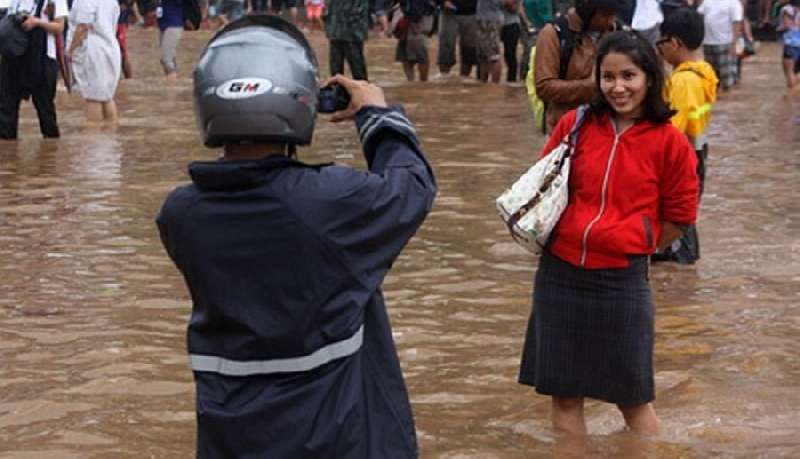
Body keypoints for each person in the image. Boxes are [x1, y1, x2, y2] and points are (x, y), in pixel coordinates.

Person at [156, 16, 436, 457]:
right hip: (334, 438)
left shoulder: (180, 215)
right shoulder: (329, 203)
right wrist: (377, 116)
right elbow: (413, 187)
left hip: (232, 437)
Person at [518, 30, 699, 435]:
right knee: (564, 396)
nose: (618, 87)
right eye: (608, 77)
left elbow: (681, 217)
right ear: (597, 79)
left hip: (621, 280)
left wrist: (634, 243)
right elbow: (544, 185)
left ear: (649, 78)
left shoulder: (670, 143)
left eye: (629, 76)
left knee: (633, 400)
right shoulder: (574, 124)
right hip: (559, 275)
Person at [654, 7, 718, 264]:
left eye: (661, 43)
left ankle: (682, 267)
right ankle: (681, 263)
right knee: (685, 212)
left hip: (684, 156)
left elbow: (673, 127)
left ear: (675, 43)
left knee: (679, 215)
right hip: (698, 150)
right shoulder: (704, 72)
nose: (659, 49)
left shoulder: (683, 81)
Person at [533, 0, 620, 134]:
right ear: (587, 12)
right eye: (605, 15)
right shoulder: (553, 33)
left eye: (613, 15)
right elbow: (544, 87)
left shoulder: (615, 33)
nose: (610, 21)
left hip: (608, 127)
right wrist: (592, 86)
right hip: (565, 129)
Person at [0, 0, 67, 140]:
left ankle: (51, 153)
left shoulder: (54, 1)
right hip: (14, 57)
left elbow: (59, 27)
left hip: (42, 60)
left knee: (45, 110)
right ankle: (8, 154)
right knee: (6, 108)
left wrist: (37, 22)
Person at [67, 0, 123, 123]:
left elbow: (82, 27)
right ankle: (110, 135)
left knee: (93, 98)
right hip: (110, 47)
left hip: (92, 51)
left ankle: (93, 137)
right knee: (107, 96)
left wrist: (70, 51)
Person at [697, 0, 743, 90]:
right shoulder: (707, 1)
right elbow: (699, 13)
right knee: (710, 78)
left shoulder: (733, 2)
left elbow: (737, 23)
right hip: (708, 42)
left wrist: (734, 44)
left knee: (727, 79)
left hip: (725, 43)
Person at [325, 0, 370, 80]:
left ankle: (362, 90)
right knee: (335, 72)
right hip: (335, 34)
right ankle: (336, 91)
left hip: (352, 35)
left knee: (358, 71)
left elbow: (359, 11)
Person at [436, 0, 479, 78]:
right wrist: (441, 2)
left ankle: (464, 81)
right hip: (448, 12)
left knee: (469, 51)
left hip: (471, 12)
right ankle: (444, 81)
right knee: (445, 49)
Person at [476, 0, 504, 82]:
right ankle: (484, 85)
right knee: (484, 55)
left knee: (494, 56)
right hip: (484, 18)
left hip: (491, 20)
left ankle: (494, 85)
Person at [156, 0, 184, 79]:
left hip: (174, 24)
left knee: (166, 58)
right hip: (164, 24)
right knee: (170, 57)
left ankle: (172, 80)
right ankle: (173, 78)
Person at [776, 0, 800, 88]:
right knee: (796, 73)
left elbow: (787, 25)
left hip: (791, 45)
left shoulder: (787, 9)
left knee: (789, 76)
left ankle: (790, 99)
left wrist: (779, 28)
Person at [500, 0, 522, 82]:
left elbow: (514, 8)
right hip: (501, 25)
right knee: (506, 55)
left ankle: (512, 80)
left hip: (512, 25)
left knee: (510, 54)